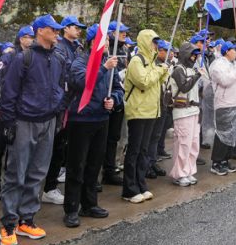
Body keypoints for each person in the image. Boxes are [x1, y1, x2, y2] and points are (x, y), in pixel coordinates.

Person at [0, 15, 67, 245]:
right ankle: (8, 224)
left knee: (38, 172)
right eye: (52, 29)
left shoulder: (57, 57)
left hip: (47, 121)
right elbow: (8, 93)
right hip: (24, 121)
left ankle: (27, 218)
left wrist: (57, 114)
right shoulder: (23, 58)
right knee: (16, 173)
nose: (57, 32)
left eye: (58, 29)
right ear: (39, 31)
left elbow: (60, 88)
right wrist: (8, 124)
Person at [63, 25, 120, 226]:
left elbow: (117, 88)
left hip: (101, 119)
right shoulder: (80, 62)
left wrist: (113, 99)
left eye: (107, 41)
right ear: (93, 43)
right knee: (76, 166)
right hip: (81, 120)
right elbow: (82, 82)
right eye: (104, 41)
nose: (107, 44)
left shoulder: (109, 64)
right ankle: (70, 209)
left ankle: (89, 204)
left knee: (94, 165)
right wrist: (104, 68)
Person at [39, 16, 86, 208]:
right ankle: (48, 189)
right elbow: (64, 77)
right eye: (76, 27)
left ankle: (50, 186)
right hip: (61, 105)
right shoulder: (60, 49)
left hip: (67, 104)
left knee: (60, 148)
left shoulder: (74, 48)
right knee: (54, 148)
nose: (79, 31)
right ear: (67, 28)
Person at [0, 26, 34, 201]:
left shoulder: (33, 57)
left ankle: (11, 183)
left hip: (23, 112)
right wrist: (1, 107)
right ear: (21, 39)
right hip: (5, 110)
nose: (32, 40)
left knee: (16, 149)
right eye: (30, 37)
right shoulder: (8, 57)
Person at [121, 30, 168, 203]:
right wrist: (159, 71)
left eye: (156, 42)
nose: (155, 45)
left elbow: (156, 83)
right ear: (145, 42)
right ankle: (129, 189)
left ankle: (141, 184)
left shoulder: (152, 61)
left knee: (143, 150)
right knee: (134, 151)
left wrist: (162, 72)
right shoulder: (136, 60)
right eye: (153, 42)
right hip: (138, 111)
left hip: (150, 111)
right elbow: (143, 81)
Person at [100, 22, 132, 188]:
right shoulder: (107, 49)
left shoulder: (125, 49)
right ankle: (100, 170)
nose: (125, 34)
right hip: (105, 98)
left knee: (114, 137)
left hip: (119, 96)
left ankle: (109, 170)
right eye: (121, 31)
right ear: (111, 33)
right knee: (102, 138)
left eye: (126, 31)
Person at [167, 42, 203, 183]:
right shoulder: (178, 70)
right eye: (192, 54)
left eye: (196, 54)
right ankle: (179, 173)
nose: (194, 57)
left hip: (194, 110)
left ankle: (189, 170)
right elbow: (184, 87)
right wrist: (197, 76)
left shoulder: (193, 70)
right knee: (183, 143)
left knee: (193, 142)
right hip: (182, 111)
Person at [209, 41, 236, 174]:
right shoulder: (218, 64)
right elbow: (224, 81)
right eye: (233, 50)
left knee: (231, 133)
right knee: (222, 134)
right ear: (226, 51)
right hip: (224, 103)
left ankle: (225, 159)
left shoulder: (234, 64)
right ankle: (216, 162)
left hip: (235, 102)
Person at [145, 41, 174, 180]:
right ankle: (146, 165)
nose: (170, 53)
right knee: (149, 137)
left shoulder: (169, 64)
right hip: (152, 103)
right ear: (159, 50)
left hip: (163, 103)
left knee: (156, 135)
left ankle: (153, 161)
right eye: (167, 50)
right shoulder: (154, 63)